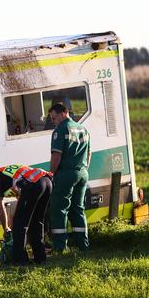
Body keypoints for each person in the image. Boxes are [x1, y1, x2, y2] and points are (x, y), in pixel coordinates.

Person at [0, 165, 52, 265]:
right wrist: (13, 221)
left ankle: (20, 261)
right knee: (36, 221)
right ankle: (40, 259)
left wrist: (6, 228)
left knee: (19, 226)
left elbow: (0, 206)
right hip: (46, 181)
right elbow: (21, 200)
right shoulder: (6, 175)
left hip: (33, 185)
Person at [48, 103, 91, 253]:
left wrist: (51, 174)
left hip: (66, 174)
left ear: (63, 113)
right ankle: (83, 245)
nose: (53, 121)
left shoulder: (60, 130)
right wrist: (83, 169)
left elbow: (56, 155)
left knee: (59, 210)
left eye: (54, 118)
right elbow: (89, 153)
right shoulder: (83, 129)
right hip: (82, 173)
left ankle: (60, 247)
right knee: (78, 209)